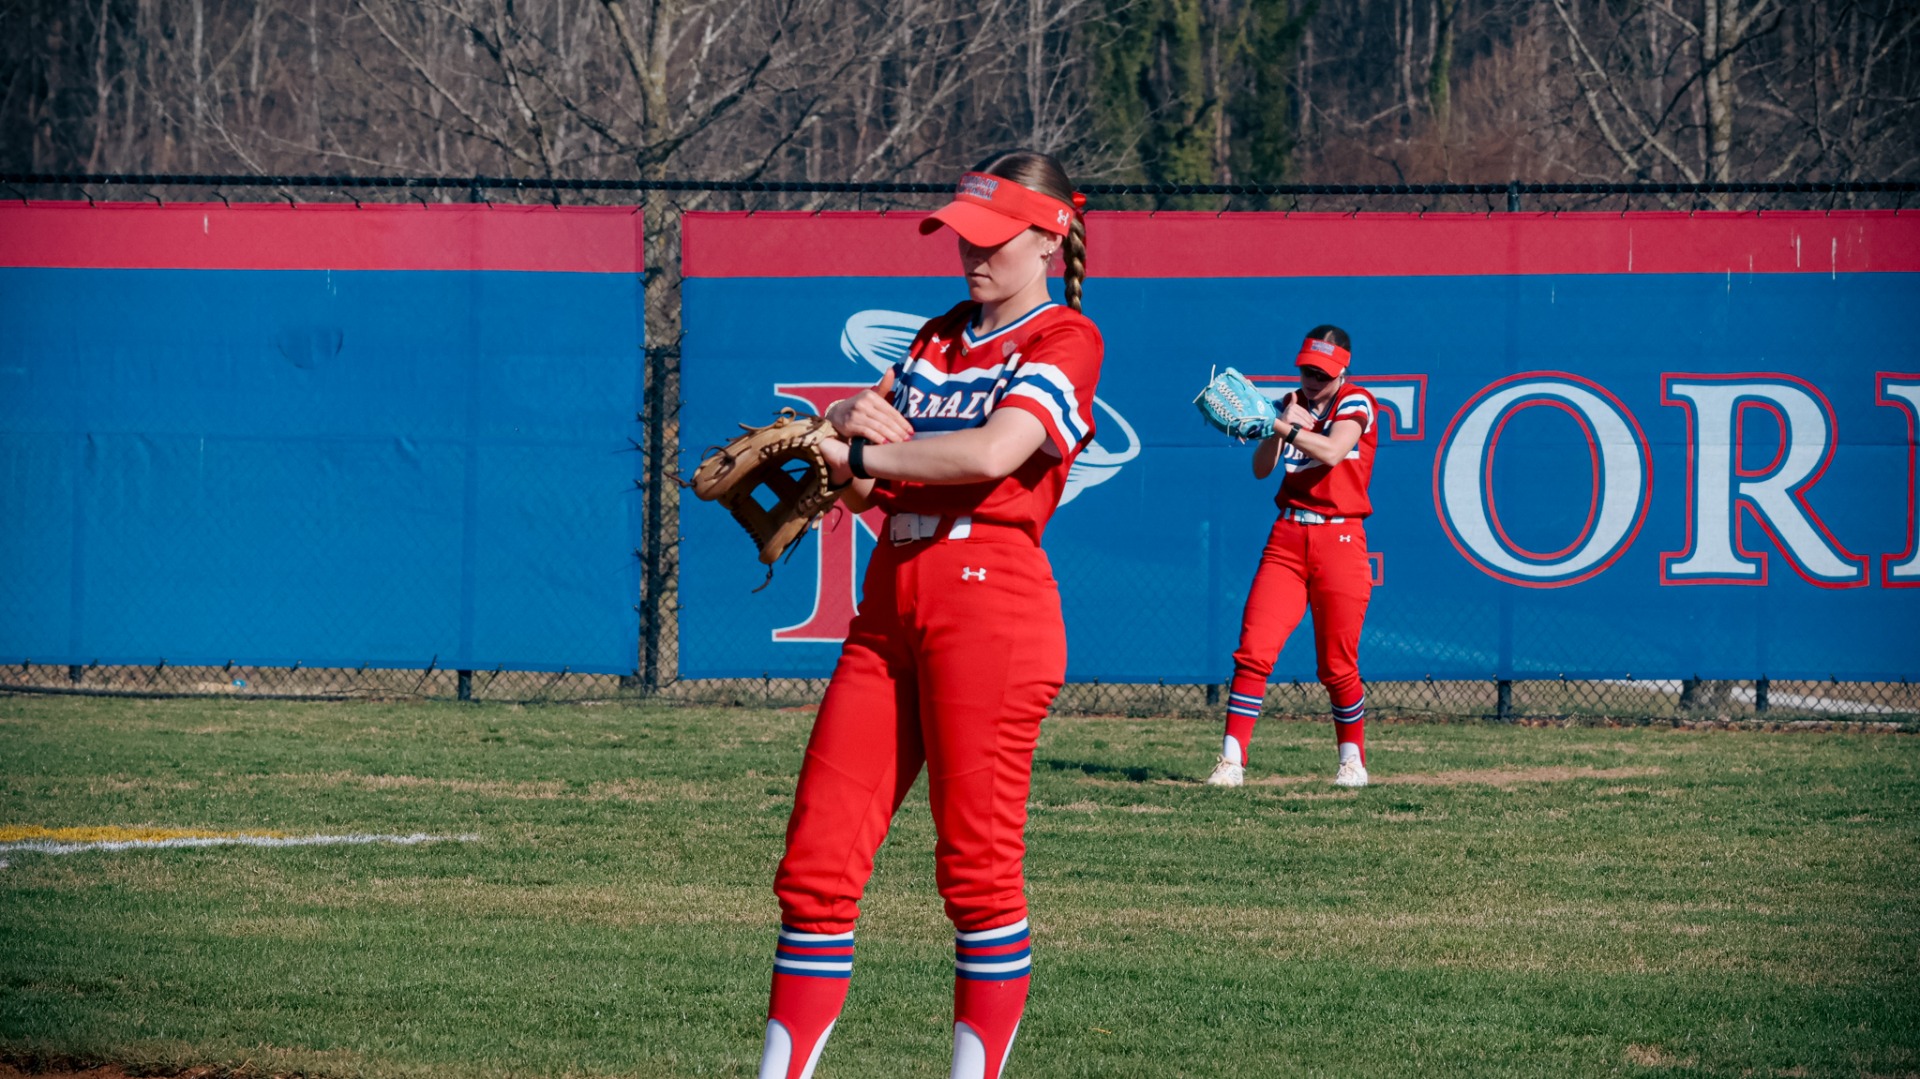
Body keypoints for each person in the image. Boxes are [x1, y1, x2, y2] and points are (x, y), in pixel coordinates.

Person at [753, 150, 1102, 1079]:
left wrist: (865, 452)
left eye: (993, 238)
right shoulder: (935, 338)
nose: (971, 253)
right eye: (962, 235)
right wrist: (844, 436)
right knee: (815, 867)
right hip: (891, 602)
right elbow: (883, 487)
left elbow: (993, 453)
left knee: (976, 874)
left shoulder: (1066, 337)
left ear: (1049, 235)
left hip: (993, 602)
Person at [1206, 327, 1379, 789]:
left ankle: (1351, 760)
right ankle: (1231, 761)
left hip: (1340, 541)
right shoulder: (1290, 403)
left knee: (1337, 664)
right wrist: (1270, 425)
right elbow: (1263, 470)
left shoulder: (1356, 401)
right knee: (1253, 652)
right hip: (1287, 536)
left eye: (1321, 373)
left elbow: (1333, 449)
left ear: (1343, 369)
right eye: (1306, 369)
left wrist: (1282, 424)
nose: (1311, 379)